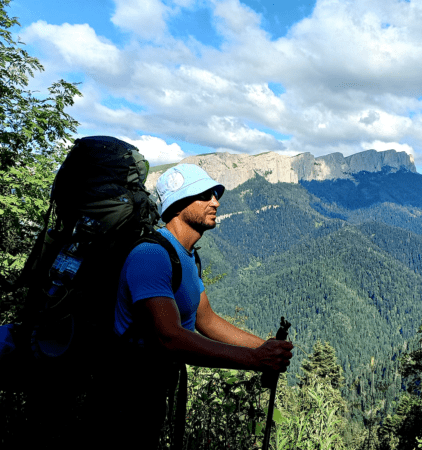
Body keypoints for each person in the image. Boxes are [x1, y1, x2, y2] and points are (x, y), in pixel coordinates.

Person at [89, 164, 294, 450]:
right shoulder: (151, 255)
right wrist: (254, 360)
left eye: (215, 194)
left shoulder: (185, 257)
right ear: (178, 203)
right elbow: (169, 337)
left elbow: (206, 319)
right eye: (205, 195)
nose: (216, 202)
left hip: (154, 389)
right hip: (125, 394)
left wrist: (265, 347)